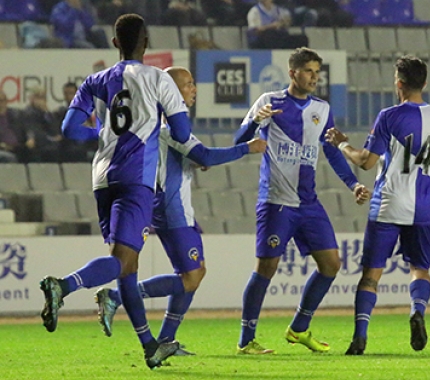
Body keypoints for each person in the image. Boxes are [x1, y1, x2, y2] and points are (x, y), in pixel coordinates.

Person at [39, 13, 193, 369]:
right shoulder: (158, 78)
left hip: (102, 178)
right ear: (147, 42)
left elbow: (69, 128)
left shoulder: (95, 80)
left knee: (128, 267)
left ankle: (150, 346)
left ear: (114, 43)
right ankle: (63, 285)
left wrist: (101, 134)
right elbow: (183, 134)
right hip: (136, 179)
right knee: (123, 261)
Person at [93, 67, 266, 350]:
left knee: (192, 274)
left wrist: (196, 161)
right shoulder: (169, 126)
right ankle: (117, 296)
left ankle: (166, 338)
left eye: (194, 83)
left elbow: (193, 159)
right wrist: (247, 147)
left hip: (174, 206)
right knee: (192, 275)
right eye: (188, 84)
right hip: (172, 209)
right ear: (170, 92)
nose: (194, 89)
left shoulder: (165, 127)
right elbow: (205, 154)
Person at [233, 47, 370, 355]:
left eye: (317, 72)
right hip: (276, 201)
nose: (314, 77)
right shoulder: (270, 102)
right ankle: (246, 340)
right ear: (293, 72)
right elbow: (239, 140)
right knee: (266, 268)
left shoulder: (321, 108)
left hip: (309, 204)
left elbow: (332, 152)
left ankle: (298, 328)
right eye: (309, 71)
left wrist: (353, 184)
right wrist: (255, 121)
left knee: (331, 264)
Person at [325, 55, 430, 355]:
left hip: (389, 203)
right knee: (420, 269)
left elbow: (366, 162)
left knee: (371, 274)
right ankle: (417, 310)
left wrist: (341, 143)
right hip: (424, 205)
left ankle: (360, 337)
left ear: (399, 83)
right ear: (425, 83)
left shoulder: (389, 116)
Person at [22, 87, 62, 163]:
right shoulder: (28, 113)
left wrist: (46, 112)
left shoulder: (47, 113)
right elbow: (32, 130)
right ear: (32, 99)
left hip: (48, 143)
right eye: (38, 97)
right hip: (37, 143)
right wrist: (51, 139)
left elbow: (55, 131)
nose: (41, 100)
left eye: (43, 97)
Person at [0, 91, 26, 163]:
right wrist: (3, 145)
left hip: (17, 146)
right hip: (3, 147)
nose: (1, 104)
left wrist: (30, 137)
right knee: (9, 157)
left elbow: (25, 127)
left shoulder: (14, 114)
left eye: (3, 100)